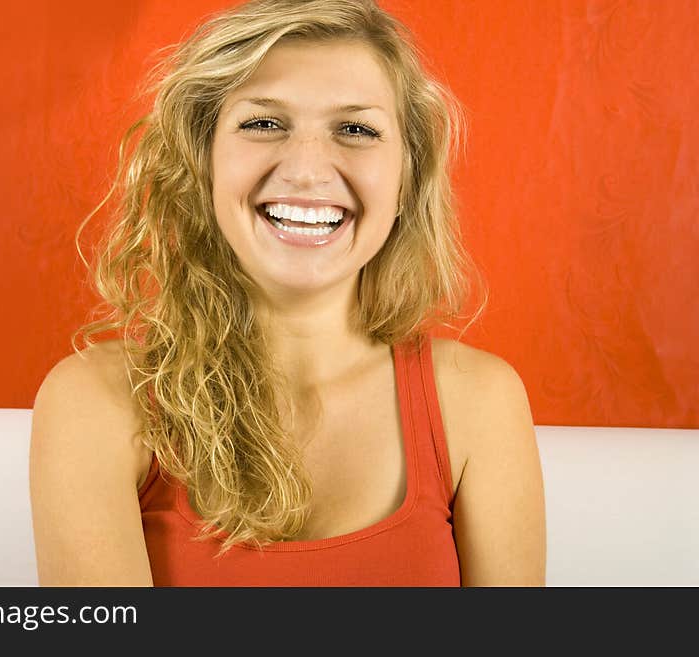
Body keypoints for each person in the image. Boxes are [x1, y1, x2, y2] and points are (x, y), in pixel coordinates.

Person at [29, 0, 546, 586]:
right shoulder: (96, 401)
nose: (305, 170)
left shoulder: (479, 401)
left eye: (356, 129)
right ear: (204, 164)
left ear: (407, 177)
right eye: (263, 122)